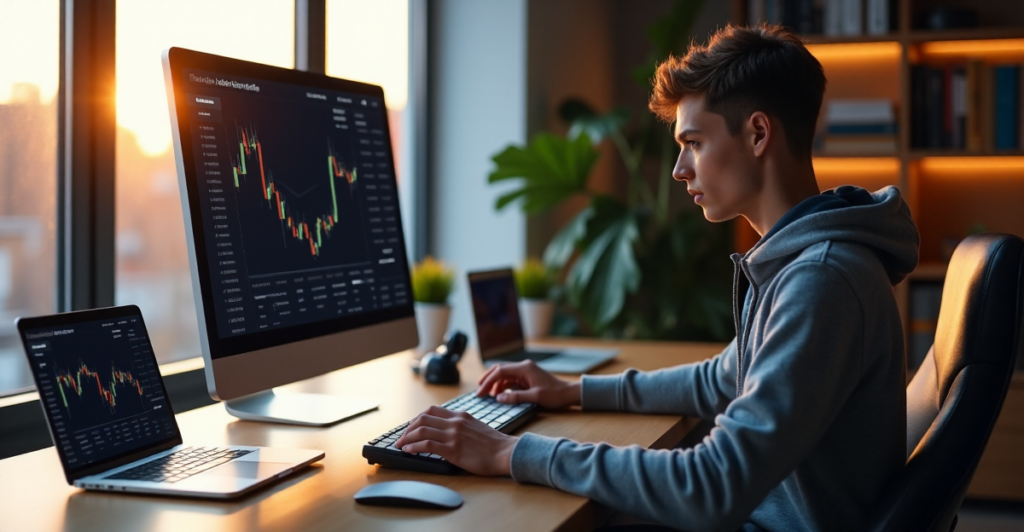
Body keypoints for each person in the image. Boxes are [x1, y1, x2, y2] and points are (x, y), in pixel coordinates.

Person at [395, 23, 919, 531]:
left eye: (693, 142)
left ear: (758, 134)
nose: (678, 170)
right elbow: (722, 379)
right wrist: (570, 390)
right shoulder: (799, 260)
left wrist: (510, 450)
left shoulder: (820, 280)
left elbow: (714, 487)